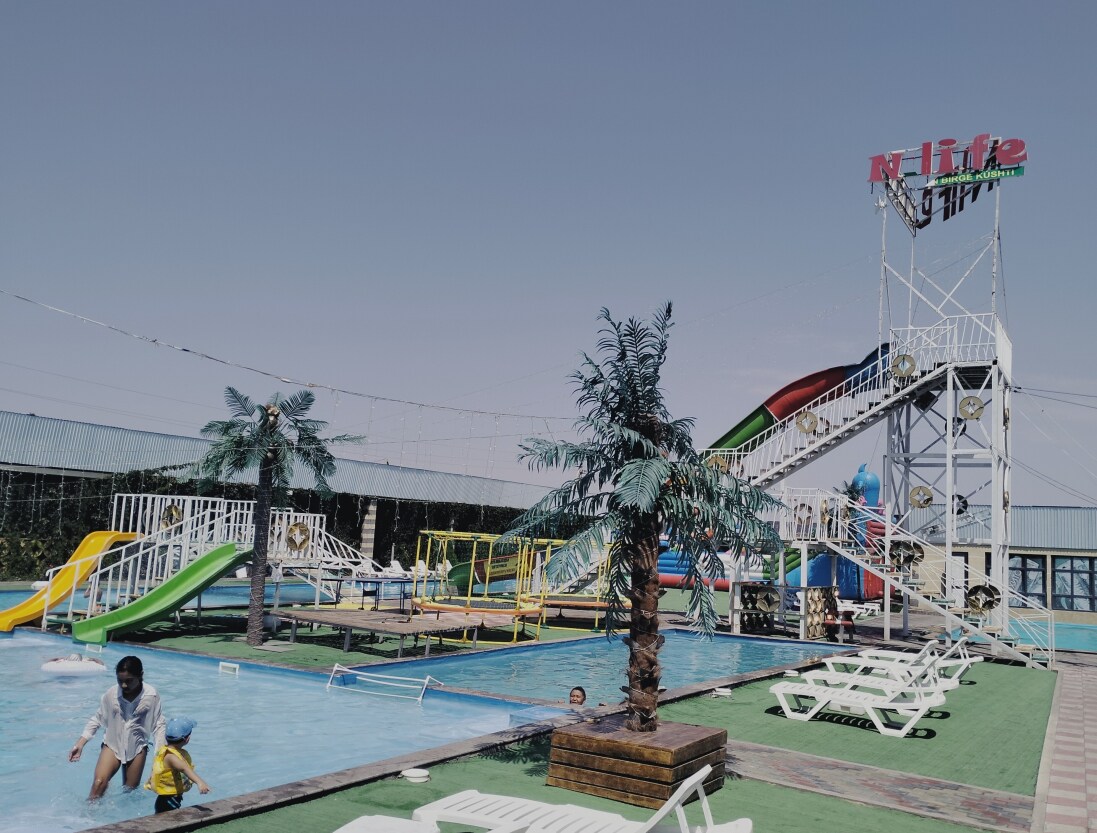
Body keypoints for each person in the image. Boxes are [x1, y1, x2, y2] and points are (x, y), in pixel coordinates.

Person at [69, 655, 166, 801]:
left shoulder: (151, 695)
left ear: (140, 675)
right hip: (112, 745)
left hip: (137, 747)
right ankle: (89, 812)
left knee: (129, 793)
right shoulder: (111, 694)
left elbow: (158, 726)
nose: (124, 685)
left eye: (129, 681)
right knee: (98, 784)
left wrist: (159, 757)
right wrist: (80, 743)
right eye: (120, 681)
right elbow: (98, 718)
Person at [145, 716, 211, 813]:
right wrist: (200, 783)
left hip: (168, 799)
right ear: (187, 739)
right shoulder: (171, 757)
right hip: (167, 801)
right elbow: (185, 769)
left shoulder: (170, 752)